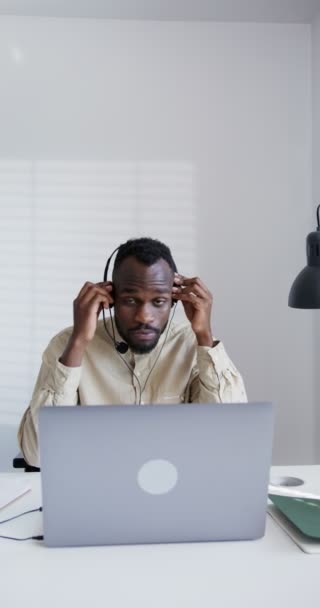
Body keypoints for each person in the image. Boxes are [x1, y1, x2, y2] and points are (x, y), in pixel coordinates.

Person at [18, 237, 247, 466]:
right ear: (110, 298)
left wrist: (205, 336)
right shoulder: (67, 345)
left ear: (175, 299)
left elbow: (229, 439)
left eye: (158, 301)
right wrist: (79, 342)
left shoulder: (193, 346)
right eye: (129, 300)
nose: (144, 317)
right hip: (96, 488)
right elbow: (38, 454)